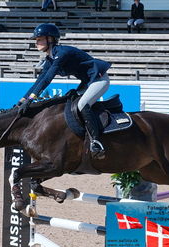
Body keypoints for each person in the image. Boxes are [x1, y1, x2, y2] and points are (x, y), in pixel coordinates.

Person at [16, 23, 111, 159]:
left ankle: (96, 142)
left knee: (82, 105)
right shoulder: (50, 58)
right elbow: (39, 80)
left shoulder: (62, 53)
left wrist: (31, 99)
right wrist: (22, 100)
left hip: (99, 79)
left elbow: (48, 79)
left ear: (50, 39)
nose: (36, 42)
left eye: (39, 39)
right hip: (87, 82)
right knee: (70, 104)